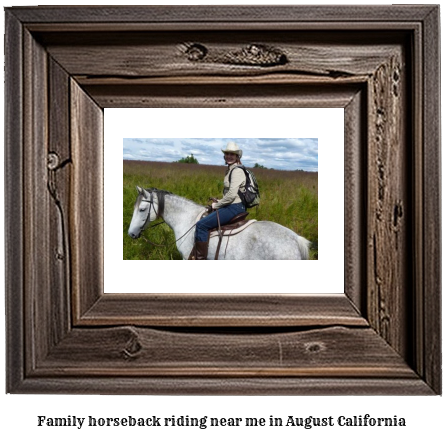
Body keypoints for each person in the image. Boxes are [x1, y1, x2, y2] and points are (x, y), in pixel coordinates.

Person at [190, 141, 247, 260]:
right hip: (233, 204)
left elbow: (231, 195)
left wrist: (217, 204)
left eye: (232, 154)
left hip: (234, 207)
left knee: (201, 225)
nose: (229, 156)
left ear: (237, 157)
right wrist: (220, 201)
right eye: (227, 154)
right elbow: (232, 193)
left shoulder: (237, 171)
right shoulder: (230, 170)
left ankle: (199, 259)